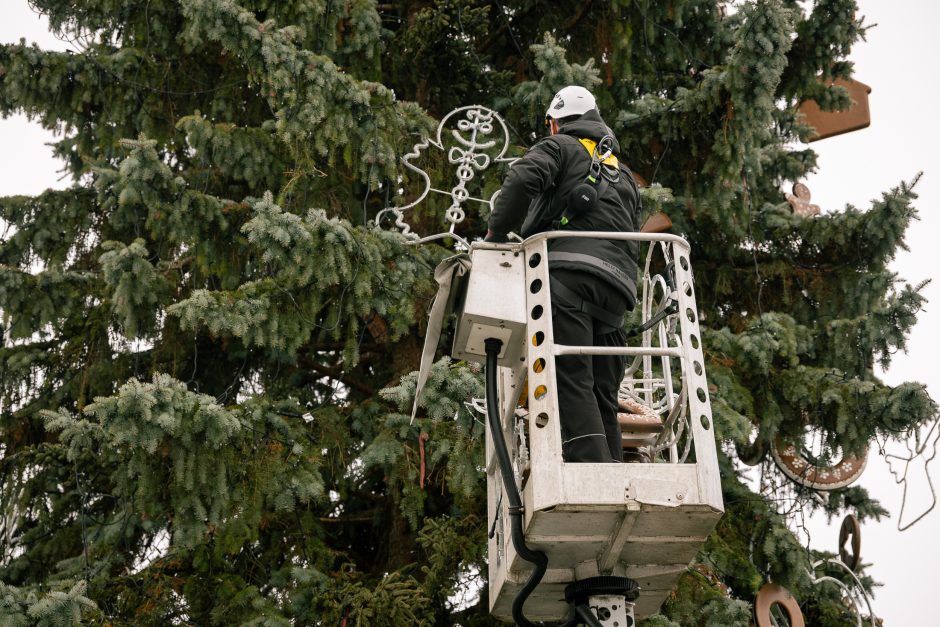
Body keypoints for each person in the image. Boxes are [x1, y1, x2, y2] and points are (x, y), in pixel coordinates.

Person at [485, 86, 641, 463]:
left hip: (567, 278)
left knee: (571, 375)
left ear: (556, 122)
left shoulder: (560, 146)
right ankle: (614, 471)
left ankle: (593, 474)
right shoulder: (624, 176)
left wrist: (494, 234)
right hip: (617, 291)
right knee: (604, 391)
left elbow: (523, 180)